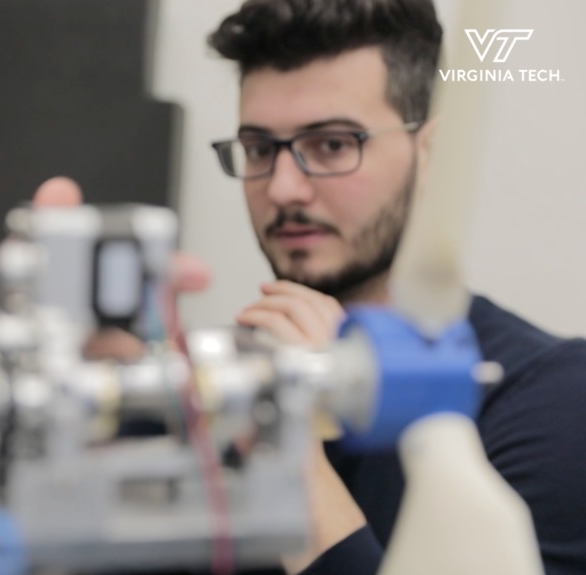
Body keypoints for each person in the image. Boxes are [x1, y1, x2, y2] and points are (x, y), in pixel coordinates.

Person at [207, 1, 586, 574]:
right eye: (261, 150)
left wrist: (290, 452)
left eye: (332, 144)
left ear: (429, 153)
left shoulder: (548, 400)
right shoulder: (218, 389)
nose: (284, 188)